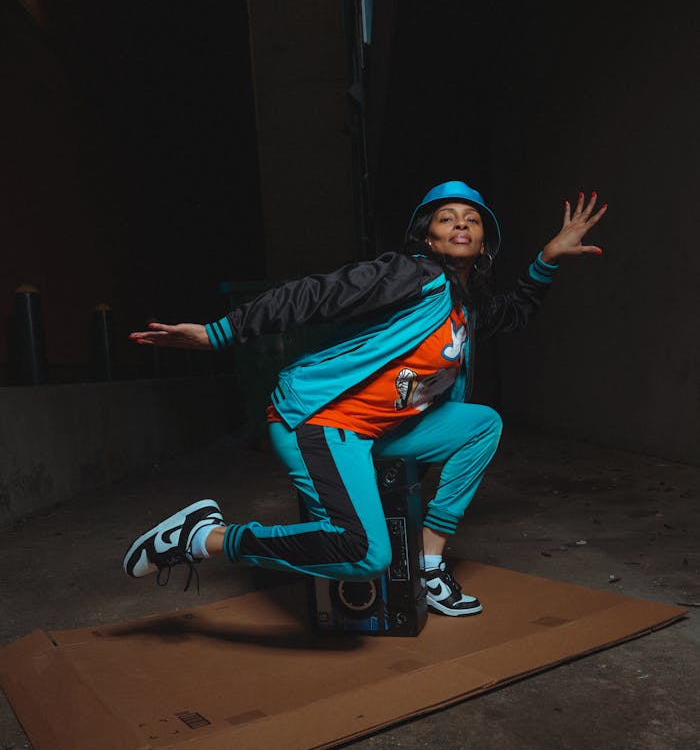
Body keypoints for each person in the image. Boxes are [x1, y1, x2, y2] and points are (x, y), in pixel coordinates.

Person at [124, 180, 606, 616]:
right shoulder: (410, 274)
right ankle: (204, 538)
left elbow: (515, 312)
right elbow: (315, 294)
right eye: (447, 218)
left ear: (483, 245)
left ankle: (428, 563)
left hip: (378, 430)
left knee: (482, 424)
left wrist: (548, 258)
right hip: (322, 421)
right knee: (365, 554)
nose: (461, 224)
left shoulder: (465, 305)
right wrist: (219, 333)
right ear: (427, 238)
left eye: (472, 220)